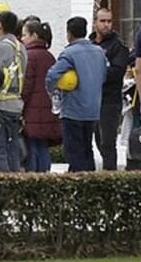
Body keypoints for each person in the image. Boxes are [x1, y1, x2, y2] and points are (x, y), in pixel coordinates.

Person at [46, 17, 108, 172]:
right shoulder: (99, 52)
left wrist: (54, 93)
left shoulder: (69, 53)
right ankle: (90, 185)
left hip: (73, 109)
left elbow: (52, 76)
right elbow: (104, 75)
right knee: (88, 149)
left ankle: (77, 185)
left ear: (69, 33)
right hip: (93, 108)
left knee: (74, 152)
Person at [0, 10, 27, 172]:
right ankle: (15, 183)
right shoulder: (21, 48)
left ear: (0, 25)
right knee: (13, 149)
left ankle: (3, 183)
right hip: (16, 104)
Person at [89, 8, 129, 170]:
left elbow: (117, 72)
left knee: (108, 142)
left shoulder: (117, 46)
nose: (106, 25)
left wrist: (93, 72)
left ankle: (110, 174)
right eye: (102, 21)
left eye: (109, 21)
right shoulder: (89, 44)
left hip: (109, 101)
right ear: (95, 23)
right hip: (91, 100)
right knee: (96, 140)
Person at [21, 19, 60, 172]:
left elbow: (26, 85)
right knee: (42, 146)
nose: (22, 38)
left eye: (25, 35)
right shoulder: (49, 56)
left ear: (34, 35)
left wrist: (20, 104)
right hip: (47, 107)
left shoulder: (29, 56)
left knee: (31, 147)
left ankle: (33, 180)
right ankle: (45, 177)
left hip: (31, 109)